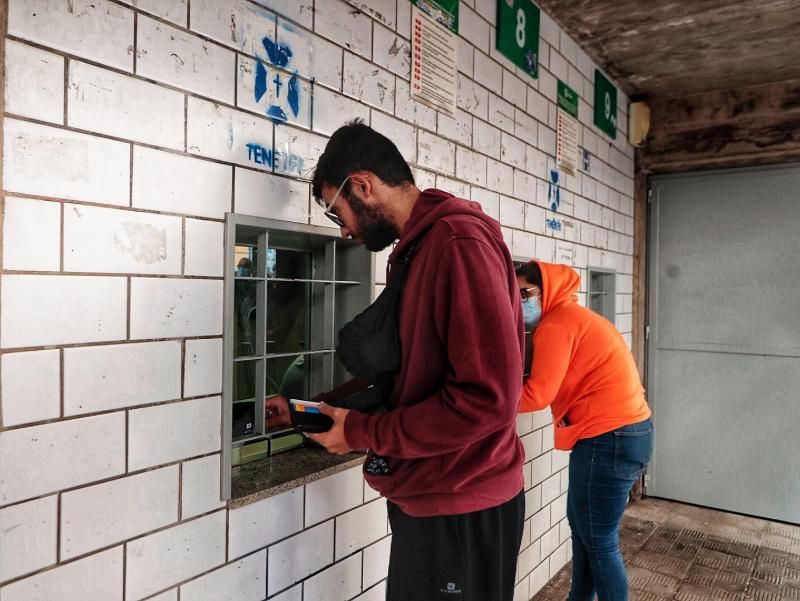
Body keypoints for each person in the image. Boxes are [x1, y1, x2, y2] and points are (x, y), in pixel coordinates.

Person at [267, 120, 525, 601]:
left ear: (363, 185)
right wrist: (314, 409)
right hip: (431, 493)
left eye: (336, 211)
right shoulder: (420, 249)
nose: (342, 231)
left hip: (461, 504)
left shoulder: (457, 244)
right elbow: (409, 379)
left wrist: (362, 433)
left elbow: (486, 401)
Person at [516, 260, 653, 601]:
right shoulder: (574, 317)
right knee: (584, 531)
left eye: (524, 293)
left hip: (608, 438)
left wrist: (477, 401)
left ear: (546, 291)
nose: (518, 301)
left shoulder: (557, 324)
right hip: (623, 433)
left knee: (598, 539)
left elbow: (536, 394)